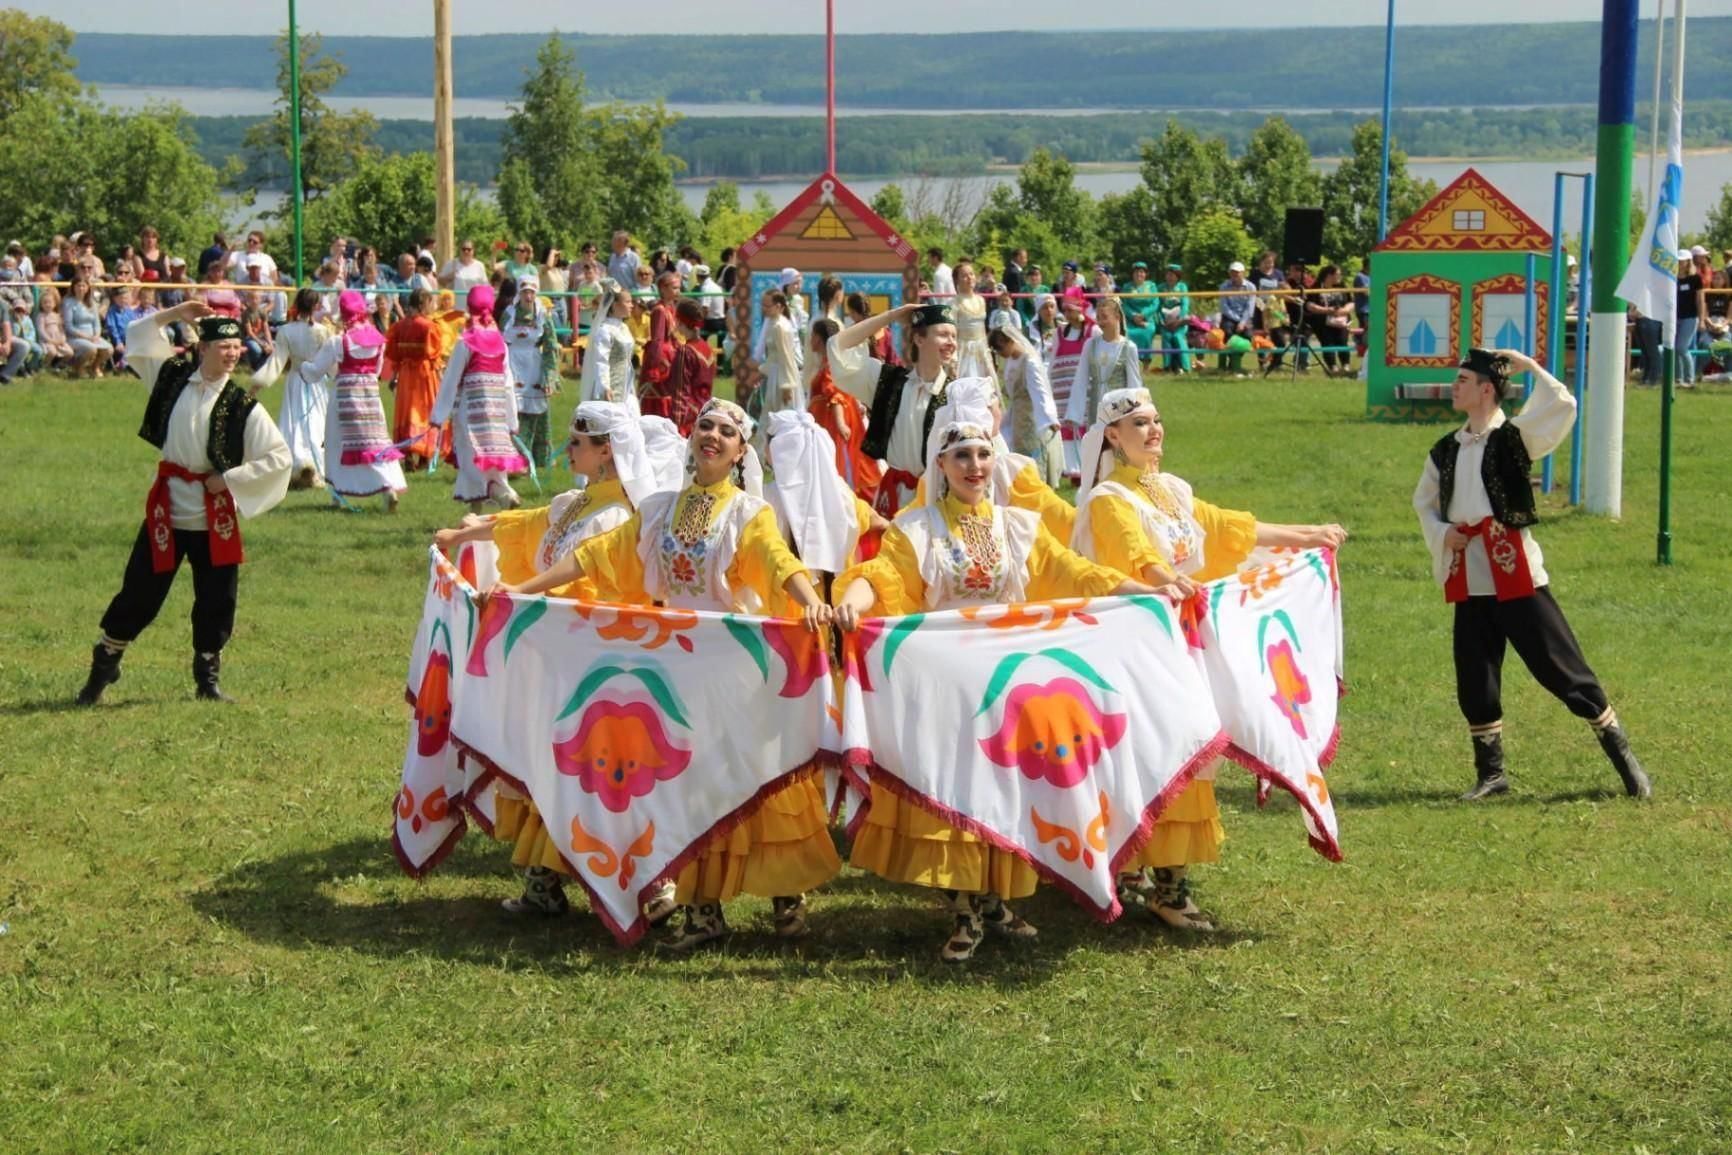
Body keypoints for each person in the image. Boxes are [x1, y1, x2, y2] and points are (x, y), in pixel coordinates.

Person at [501, 398, 839, 949]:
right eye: (705, 426)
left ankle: (787, 893)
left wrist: (812, 602)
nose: (712, 436)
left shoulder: (748, 514)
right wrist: (522, 591)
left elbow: (779, 563)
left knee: (755, 777)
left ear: (738, 453)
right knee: (691, 788)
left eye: (726, 432)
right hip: (678, 664)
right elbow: (594, 557)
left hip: (731, 663)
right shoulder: (658, 509)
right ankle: (705, 916)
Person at [832, 414, 1158, 961]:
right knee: (963, 793)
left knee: (1007, 792)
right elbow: (882, 577)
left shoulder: (1019, 526)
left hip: (1008, 684)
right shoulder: (917, 529)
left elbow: (1074, 572)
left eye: (983, 456)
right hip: (949, 685)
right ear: (940, 465)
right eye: (962, 457)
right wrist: (852, 605)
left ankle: (995, 900)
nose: (975, 467)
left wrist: (1141, 592)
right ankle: (966, 909)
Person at [1072, 387, 1347, 928]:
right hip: (1138, 646)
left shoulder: (1170, 490)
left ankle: (1157, 877)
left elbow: (1225, 527)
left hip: (1183, 636)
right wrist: (1167, 580)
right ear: (1112, 436)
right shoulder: (1109, 500)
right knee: (1161, 753)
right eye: (1140, 424)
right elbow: (1135, 553)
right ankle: (1155, 882)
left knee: (1182, 750)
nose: (1154, 431)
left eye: (1157, 421)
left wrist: (1307, 535)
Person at [434, 401, 678, 923]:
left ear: (605, 452)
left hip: (594, 663)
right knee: (551, 765)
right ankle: (543, 881)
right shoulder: (579, 502)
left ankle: (653, 882)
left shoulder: (615, 515)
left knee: (596, 774)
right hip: (558, 655)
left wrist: (519, 593)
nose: (567, 449)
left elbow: (579, 573)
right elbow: (526, 522)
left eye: (577, 442)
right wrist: (464, 534)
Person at [1412, 348, 1650, 800]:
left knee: (1560, 667)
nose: (1454, 385)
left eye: (1463, 379)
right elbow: (1423, 502)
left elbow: (1562, 406)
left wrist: (1530, 366)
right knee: (1475, 673)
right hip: (1469, 574)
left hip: (1515, 571)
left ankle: (1626, 763)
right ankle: (1491, 775)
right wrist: (1444, 534)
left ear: (1486, 390)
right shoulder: (1444, 449)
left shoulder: (1514, 438)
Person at [76, 301, 291, 706]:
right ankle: (103, 668)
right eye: (222, 347)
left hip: (213, 516)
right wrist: (176, 312)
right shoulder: (170, 377)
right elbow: (138, 336)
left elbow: (279, 458)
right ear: (202, 347)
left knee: (216, 598)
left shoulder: (242, 405)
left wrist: (227, 479)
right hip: (168, 511)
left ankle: (207, 679)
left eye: (236, 348)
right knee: (139, 593)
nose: (231, 354)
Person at [829, 301, 957, 517]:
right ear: (919, 339)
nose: (951, 342)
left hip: (938, 497)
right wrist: (890, 316)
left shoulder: (957, 393)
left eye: (954, 336)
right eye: (944, 334)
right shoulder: (888, 381)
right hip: (895, 496)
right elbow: (837, 346)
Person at [308, 290, 407, 512]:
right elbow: (379, 370)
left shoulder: (338, 341)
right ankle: (386, 487)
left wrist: (302, 366)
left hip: (344, 396)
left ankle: (337, 492)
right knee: (375, 441)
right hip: (371, 396)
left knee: (335, 443)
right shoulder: (378, 340)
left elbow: (315, 370)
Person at [433, 285, 526, 512]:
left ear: (469, 308)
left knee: (471, 461)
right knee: (491, 461)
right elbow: (507, 384)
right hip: (495, 414)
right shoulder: (500, 344)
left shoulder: (466, 342)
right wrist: (511, 420)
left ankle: (500, 494)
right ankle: (477, 513)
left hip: (471, 413)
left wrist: (438, 416)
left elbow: (451, 379)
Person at [253, 288, 332, 488]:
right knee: (318, 421)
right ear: (315, 307)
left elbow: (276, 362)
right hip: (316, 381)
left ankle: (298, 463)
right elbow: (330, 363)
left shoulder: (286, 330)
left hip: (296, 380)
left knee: (294, 422)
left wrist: (258, 384)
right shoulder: (322, 331)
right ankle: (316, 464)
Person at [807, 317, 881, 504]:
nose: (810, 341)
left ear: (818, 338)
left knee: (839, 464)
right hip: (827, 419)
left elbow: (836, 395)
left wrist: (840, 423)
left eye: (813, 336)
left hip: (831, 422)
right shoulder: (829, 362)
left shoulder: (830, 365)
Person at [989, 320, 1063, 489]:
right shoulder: (1011, 362)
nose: (999, 353)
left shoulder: (1029, 362)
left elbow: (1040, 391)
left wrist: (1049, 418)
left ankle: (1037, 485)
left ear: (1009, 341)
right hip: (1018, 416)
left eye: (999, 348)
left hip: (1032, 416)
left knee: (1032, 453)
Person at [382, 287, 444, 470]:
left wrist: (393, 376)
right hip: (424, 373)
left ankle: (408, 453)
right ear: (424, 304)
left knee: (407, 411)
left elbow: (392, 354)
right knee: (425, 411)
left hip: (406, 374)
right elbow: (434, 354)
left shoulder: (398, 327)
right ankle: (424, 454)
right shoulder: (429, 327)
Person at [1066, 297, 1142, 435]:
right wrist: (1073, 414)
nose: (1100, 322)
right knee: (1097, 450)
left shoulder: (1128, 347)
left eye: (1105, 317)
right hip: (1096, 408)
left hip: (1119, 409)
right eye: (1098, 317)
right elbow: (1080, 380)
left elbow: (1134, 384)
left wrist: (1136, 414)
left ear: (1117, 316)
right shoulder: (1090, 344)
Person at [504, 281, 556, 467]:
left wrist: (549, 376)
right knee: (513, 410)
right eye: (525, 292)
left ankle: (539, 457)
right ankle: (514, 457)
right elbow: (500, 341)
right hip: (512, 363)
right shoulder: (509, 315)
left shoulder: (542, 315)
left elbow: (550, 347)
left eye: (532, 292)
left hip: (534, 364)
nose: (528, 296)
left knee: (536, 411)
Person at [580, 278, 637, 416]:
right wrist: (604, 387)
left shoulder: (623, 327)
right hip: (611, 387)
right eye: (628, 302)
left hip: (625, 385)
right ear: (615, 305)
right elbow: (601, 361)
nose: (632, 305)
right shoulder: (605, 330)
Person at [638, 271, 682, 421]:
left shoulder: (670, 308)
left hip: (670, 355)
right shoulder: (659, 310)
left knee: (668, 394)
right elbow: (657, 339)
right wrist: (653, 368)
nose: (678, 291)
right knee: (658, 396)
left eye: (678, 288)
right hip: (660, 358)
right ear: (663, 288)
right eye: (674, 288)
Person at [668, 299, 716, 435]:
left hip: (688, 419)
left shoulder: (686, 351)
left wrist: (676, 425)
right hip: (706, 412)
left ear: (680, 322)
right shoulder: (707, 348)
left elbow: (681, 391)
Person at [758, 288, 806, 422]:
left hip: (782, 376)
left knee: (782, 415)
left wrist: (787, 386)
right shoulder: (773, 324)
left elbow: (786, 357)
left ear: (778, 306)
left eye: (767, 306)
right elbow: (773, 356)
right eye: (763, 305)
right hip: (775, 373)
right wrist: (762, 372)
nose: (764, 309)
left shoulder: (780, 326)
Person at [949, 258, 996, 383]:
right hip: (964, 352)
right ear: (957, 280)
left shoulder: (980, 300)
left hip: (982, 349)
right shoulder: (954, 303)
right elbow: (952, 334)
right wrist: (953, 359)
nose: (969, 278)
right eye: (964, 275)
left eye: (971, 274)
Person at [1305, 265, 1356, 376]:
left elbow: (1351, 302)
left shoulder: (1342, 286)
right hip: (1322, 322)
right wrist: (1326, 310)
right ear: (1329, 275)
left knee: (1343, 343)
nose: (1340, 276)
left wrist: (1345, 310)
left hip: (1341, 320)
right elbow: (1309, 305)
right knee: (1328, 344)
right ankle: (1333, 368)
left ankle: (1346, 367)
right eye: (1338, 274)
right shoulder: (1316, 287)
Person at [62, 276, 114, 378]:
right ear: (73, 287)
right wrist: (87, 337)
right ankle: (78, 368)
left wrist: (96, 335)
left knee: (109, 349)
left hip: (92, 336)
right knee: (91, 349)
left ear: (88, 288)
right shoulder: (68, 303)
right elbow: (69, 326)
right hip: (75, 337)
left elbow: (96, 323)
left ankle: (94, 367)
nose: (81, 288)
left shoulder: (92, 303)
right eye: (78, 286)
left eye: (83, 286)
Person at [1676, 247, 1706, 387]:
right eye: (1679, 261)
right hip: (1675, 317)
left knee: (1682, 347)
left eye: (1683, 261)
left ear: (1688, 262)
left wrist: (1701, 320)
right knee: (1675, 348)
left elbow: (1700, 300)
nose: (1680, 263)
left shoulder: (1695, 279)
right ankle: (1679, 379)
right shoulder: (1672, 278)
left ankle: (1690, 379)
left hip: (1690, 317)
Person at [1155, 264, 1192, 373]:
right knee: (1166, 337)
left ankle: (1185, 367)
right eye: (1168, 274)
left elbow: (1185, 305)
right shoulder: (1160, 288)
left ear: (1177, 276)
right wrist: (1162, 321)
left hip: (1179, 322)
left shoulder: (1182, 287)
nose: (1170, 277)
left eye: (1173, 275)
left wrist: (1178, 320)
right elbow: (1157, 306)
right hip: (1165, 322)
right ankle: (1167, 367)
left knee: (1177, 337)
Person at [1218, 262, 1257, 342]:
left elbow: (1250, 308)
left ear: (1243, 273)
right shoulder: (1223, 286)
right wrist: (1238, 320)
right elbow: (1224, 307)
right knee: (1227, 332)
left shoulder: (1251, 287)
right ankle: (1226, 353)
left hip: (1246, 317)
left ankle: (1237, 353)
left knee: (1249, 336)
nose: (1234, 274)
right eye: (1232, 272)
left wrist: (1242, 322)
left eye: (1237, 272)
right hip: (1229, 318)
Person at [239, 305, 274, 373]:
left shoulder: (262, 312)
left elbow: (266, 330)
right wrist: (262, 345)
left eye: (256, 298)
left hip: (261, 338)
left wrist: (270, 344)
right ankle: (255, 367)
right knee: (256, 349)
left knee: (273, 348)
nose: (254, 301)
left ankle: (260, 368)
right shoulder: (246, 314)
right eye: (252, 298)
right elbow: (250, 333)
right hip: (248, 339)